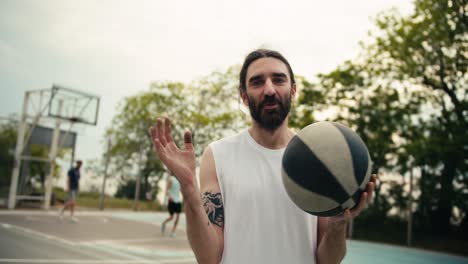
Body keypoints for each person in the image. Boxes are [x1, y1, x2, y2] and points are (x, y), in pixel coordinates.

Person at [150, 49, 376, 264]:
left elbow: (328, 261)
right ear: (244, 96)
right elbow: (208, 257)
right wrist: (189, 190)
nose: (269, 90)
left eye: (279, 80)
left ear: (293, 90)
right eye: (257, 82)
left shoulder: (318, 158)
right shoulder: (218, 155)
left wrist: (338, 224)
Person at [161, 172, 182, 237]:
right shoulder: (171, 179)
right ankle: (164, 223)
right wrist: (170, 197)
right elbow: (167, 190)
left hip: (178, 201)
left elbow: (180, 190)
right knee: (171, 217)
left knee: (178, 217)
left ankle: (173, 232)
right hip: (171, 201)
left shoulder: (179, 180)